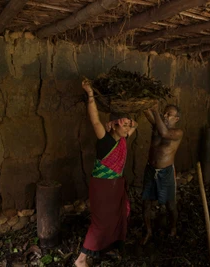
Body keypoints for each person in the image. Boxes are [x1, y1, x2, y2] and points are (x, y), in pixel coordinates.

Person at [75, 79, 138, 267]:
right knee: (100, 223)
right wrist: (90, 94)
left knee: (119, 215)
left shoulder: (123, 140)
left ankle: (108, 246)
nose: (127, 128)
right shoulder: (105, 140)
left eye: (127, 125)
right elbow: (95, 119)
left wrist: (128, 114)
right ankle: (81, 260)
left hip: (115, 186)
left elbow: (135, 126)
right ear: (112, 125)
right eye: (123, 125)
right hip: (102, 188)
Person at [141, 103, 183, 245]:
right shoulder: (156, 126)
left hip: (165, 172)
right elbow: (146, 111)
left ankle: (173, 228)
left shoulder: (177, 133)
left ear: (176, 119)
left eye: (169, 114)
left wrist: (155, 111)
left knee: (170, 204)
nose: (165, 116)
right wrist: (145, 102)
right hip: (150, 170)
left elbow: (165, 133)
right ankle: (148, 231)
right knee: (146, 202)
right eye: (164, 113)